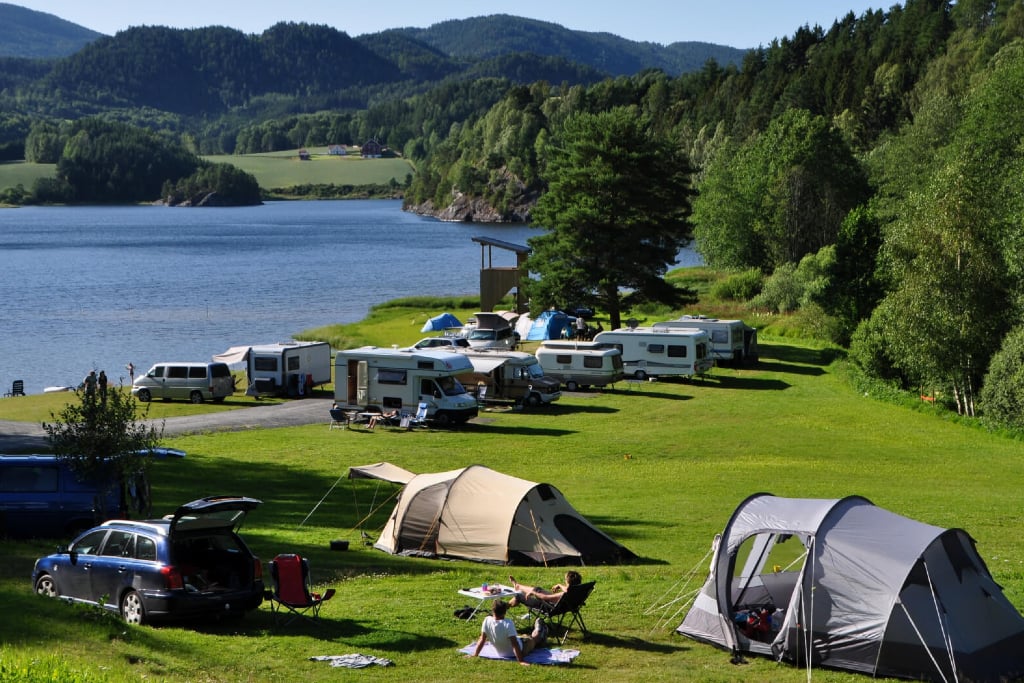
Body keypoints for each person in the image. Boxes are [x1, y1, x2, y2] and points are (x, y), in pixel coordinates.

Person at [466, 599, 547, 666]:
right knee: (532, 639)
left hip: (502, 653)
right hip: (521, 649)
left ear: (493, 611)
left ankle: (530, 634)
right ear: (505, 612)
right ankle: (540, 629)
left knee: (524, 637)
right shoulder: (508, 623)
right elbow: (515, 644)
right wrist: (521, 660)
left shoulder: (487, 620)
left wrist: (475, 654)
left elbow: (482, 639)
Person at [507, 570, 582, 609]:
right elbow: (567, 589)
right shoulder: (577, 591)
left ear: (567, 581)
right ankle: (517, 586)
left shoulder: (563, 594)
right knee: (537, 588)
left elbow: (545, 597)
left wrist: (534, 593)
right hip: (562, 607)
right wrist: (559, 585)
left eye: (565, 579)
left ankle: (501, 609)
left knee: (519, 596)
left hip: (547, 607)